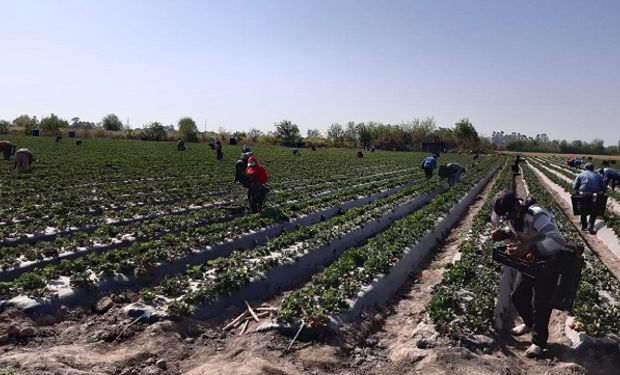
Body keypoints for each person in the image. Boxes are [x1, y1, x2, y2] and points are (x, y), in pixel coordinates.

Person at [490, 190, 568, 358]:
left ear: (517, 206)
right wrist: (504, 234)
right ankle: (528, 323)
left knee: (540, 302)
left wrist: (528, 248)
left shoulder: (537, 215)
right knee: (518, 295)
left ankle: (538, 343)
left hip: (549, 260)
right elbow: (521, 232)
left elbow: (558, 240)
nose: (508, 219)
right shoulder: (513, 216)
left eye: (509, 215)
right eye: (505, 218)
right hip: (531, 259)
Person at [573, 163, 607, 234]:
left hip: (584, 194)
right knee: (594, 209)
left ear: (585, 168)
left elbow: (575, 187)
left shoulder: (581, 174)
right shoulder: (598, 176)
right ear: (593, 168)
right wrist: (602, 193)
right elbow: (604, 188)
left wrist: (578, 191)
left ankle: (584, 226)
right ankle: (591, 225)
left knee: (583, 209)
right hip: (595, 195)